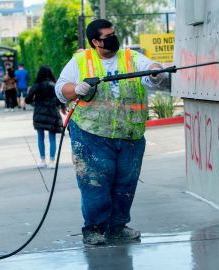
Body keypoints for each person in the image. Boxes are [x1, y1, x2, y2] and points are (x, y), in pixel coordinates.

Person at [55, 19, 167, 245]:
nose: (113, 39)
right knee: (95, 183)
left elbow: (150, 68)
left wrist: (156, 71)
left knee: (126, 184)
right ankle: (94, 229)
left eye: (113, 34)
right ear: (95, 41)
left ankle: (117, 227)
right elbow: (60, 89)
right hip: (91, 135)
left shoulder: (130, 57)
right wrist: (77, 89)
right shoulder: (81, 61)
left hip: (129, 135)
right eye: (107, 36)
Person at [25, 65, 65, 169]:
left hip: (39, 113)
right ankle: (52, 161)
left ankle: (42, 160)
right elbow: (60, 98)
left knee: (40, 137)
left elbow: (27, 100)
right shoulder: (54, 85)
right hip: (52, 113)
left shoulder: (37, 85)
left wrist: (36, 102)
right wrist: (61, 107)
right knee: (52, 137)